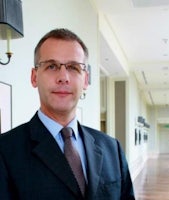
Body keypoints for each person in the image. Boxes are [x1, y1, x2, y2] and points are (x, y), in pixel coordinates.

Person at [0, 28, 135, 200]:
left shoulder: (112, 148)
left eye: (73, 67)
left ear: (85, 80)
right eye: (52, 66)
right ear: (34, 77)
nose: (63, 77)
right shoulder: (5, 151)